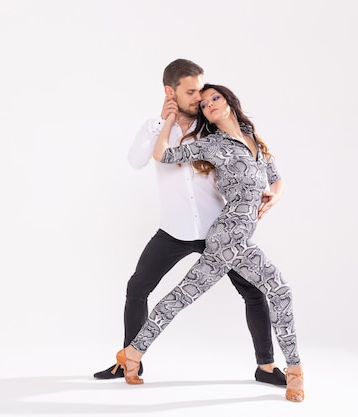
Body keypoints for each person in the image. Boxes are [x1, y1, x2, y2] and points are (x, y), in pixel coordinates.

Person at [93, 59, 286, 386]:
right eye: (192, 91)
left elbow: (257, 154)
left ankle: (265, 367)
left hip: (219, 229)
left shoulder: (210, 126)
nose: (200, 97)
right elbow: (136, 160)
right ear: (171, 91)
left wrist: (276, 190)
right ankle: (130, 360)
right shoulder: (155, 127)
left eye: (202, 90)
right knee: (138, 288)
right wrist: (163, 120)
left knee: (254, 291)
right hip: (174, 229)